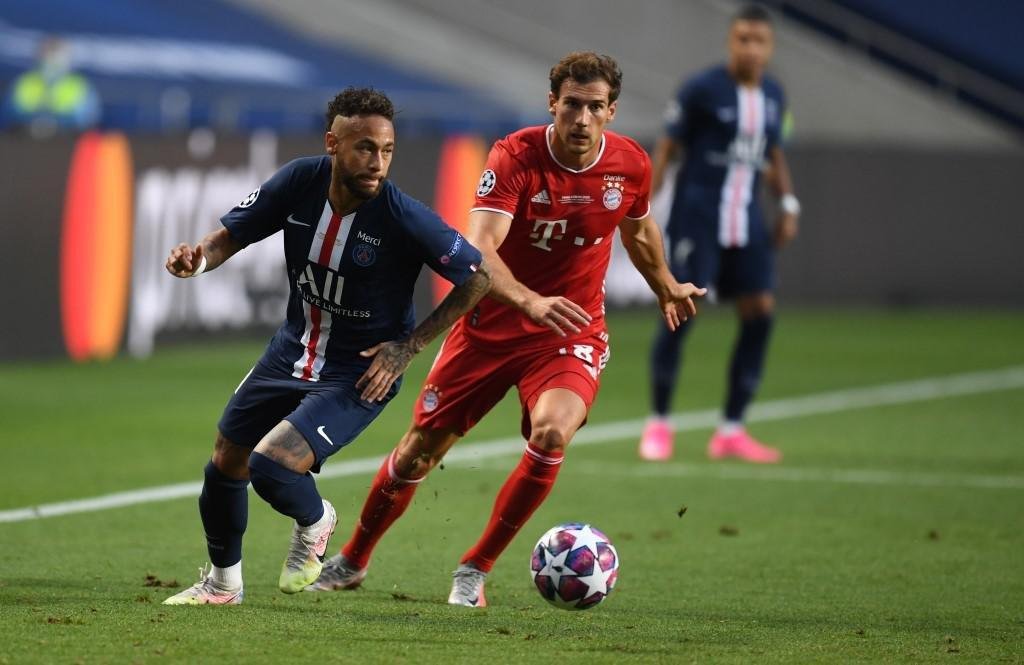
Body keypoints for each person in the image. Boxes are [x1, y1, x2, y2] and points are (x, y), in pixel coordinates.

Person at [307, 52, 706, 607]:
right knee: (419, 451)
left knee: (550, 434)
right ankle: (353, 558)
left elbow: (637, 232)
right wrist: (528, 300)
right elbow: (482, 248)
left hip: (570, 329)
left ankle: (475, 568)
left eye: (595, 107)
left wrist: (665, 283)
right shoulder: (515, 156)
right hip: (490, 327)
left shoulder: (630, 164)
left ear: (611, 111)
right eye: (572, 105)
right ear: (553, 104)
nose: (582, 119)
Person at [160, 87, 491, 605]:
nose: (377, 162)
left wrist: (408, 346)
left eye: (386, 151)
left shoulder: (404, 217)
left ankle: (317, 519)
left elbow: (476, 278)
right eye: (364, 148)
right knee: (226, 460)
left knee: (271, 466)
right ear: (332, 143)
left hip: (359, 372)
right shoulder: (299, 181)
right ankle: (223, 586)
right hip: (292, 349)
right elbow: (231, 235)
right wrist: (197, 260)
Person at [638, 4, 800, 464]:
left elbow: (773, 154)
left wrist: (787, 203)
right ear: (730, 41)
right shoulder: (701, 90)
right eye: (742, 39)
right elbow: (667, 148)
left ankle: (731, 429)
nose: (750, 48)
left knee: (761, 312)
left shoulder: (773, 95)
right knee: (682, 311)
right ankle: (658, 424)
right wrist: (642, 210)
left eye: (759, 40)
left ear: (770, 47)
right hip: (699, 218)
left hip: (746, 221)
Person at [6, 37, 100, 136]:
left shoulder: (80, 85)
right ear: (39, 55)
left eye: (57, 54)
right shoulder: (24, 82)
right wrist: (35, 122)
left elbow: (88, 121)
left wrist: (57, 123)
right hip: (25, 142)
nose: (52, 59)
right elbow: (10, 116)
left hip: (66, 142)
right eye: (48, 53)